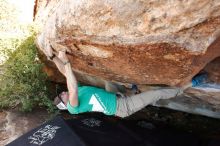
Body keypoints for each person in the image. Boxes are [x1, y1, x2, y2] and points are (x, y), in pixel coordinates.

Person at [45, 47, 205, 118]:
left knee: (107, 78)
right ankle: (188, 86)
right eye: (62, 97)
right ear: (65, 104)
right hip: (123, 107)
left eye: (61, 93)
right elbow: (71, 87)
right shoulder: (73, 108)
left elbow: (66, 75)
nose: (63, 93)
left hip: (112, 95)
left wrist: (53, 57)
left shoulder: (77, 93)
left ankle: (132, 91)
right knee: (157, 94)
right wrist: (67, 62)